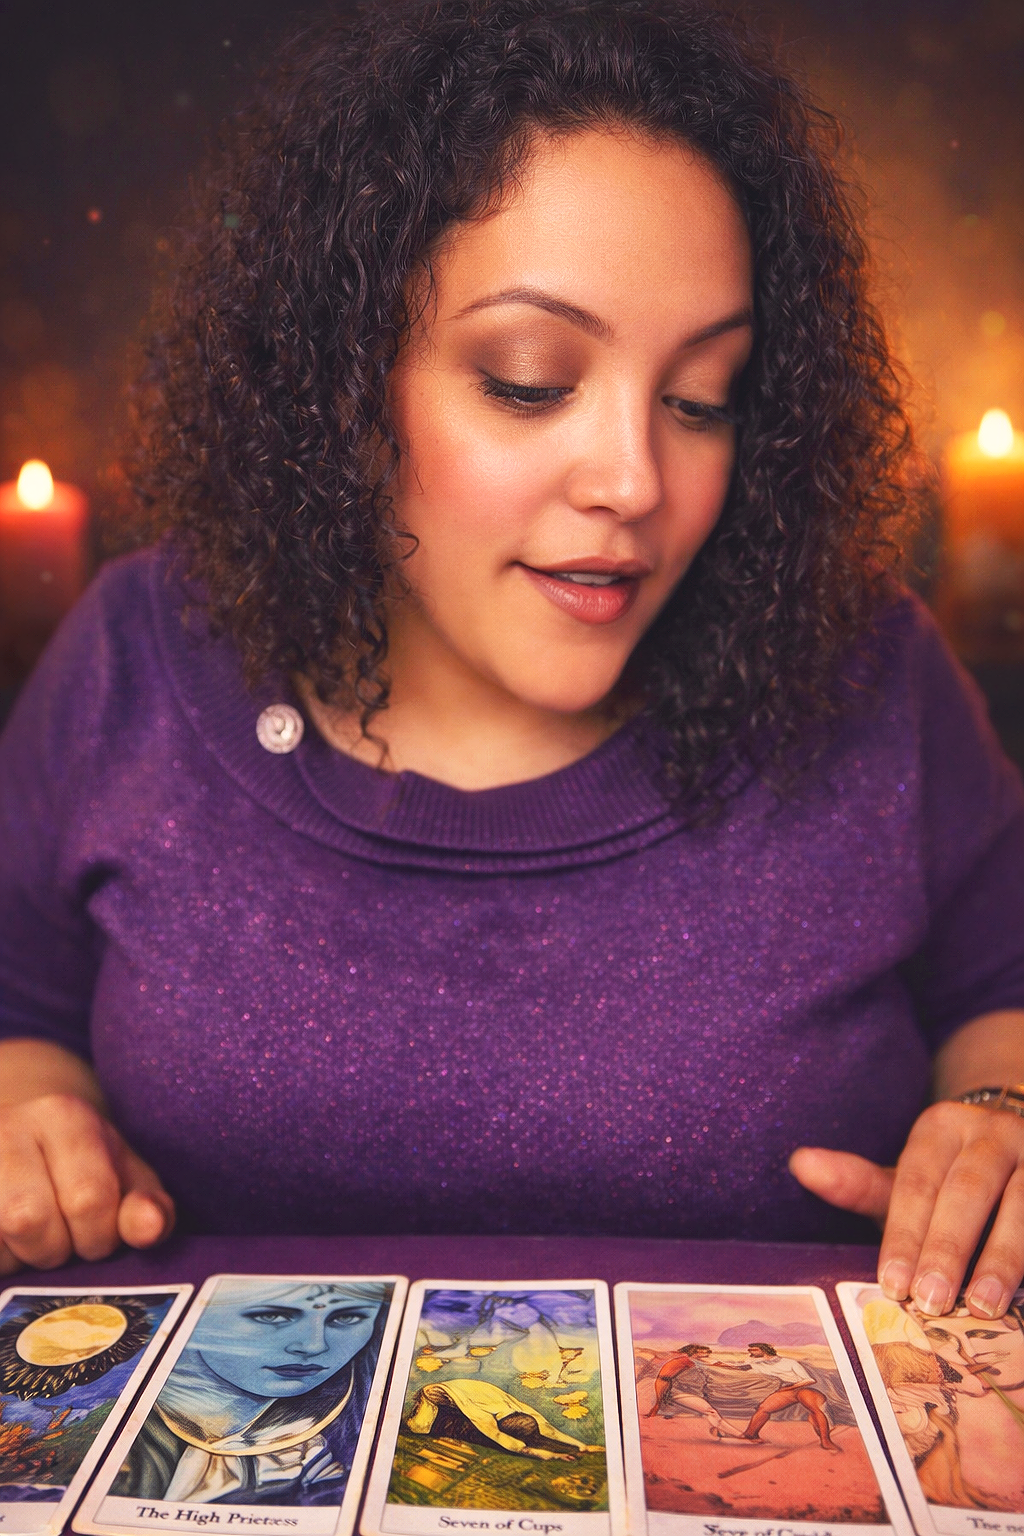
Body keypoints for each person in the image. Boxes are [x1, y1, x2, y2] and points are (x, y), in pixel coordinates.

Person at [0, 0, 1022, 1314]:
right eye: (530, 381)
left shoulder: (871, 673)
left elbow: (1003, 997)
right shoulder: (135, 656)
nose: (634, 481)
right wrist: (30, 1111)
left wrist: (997, 1116)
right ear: (346, 380)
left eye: (701, 398)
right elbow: (19, 1012)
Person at [111, 1280, 391, 1505]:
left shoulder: (369, 1400)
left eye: (347, 1317)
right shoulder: (118, 1415)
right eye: (271, 1315)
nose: (313, 1345)